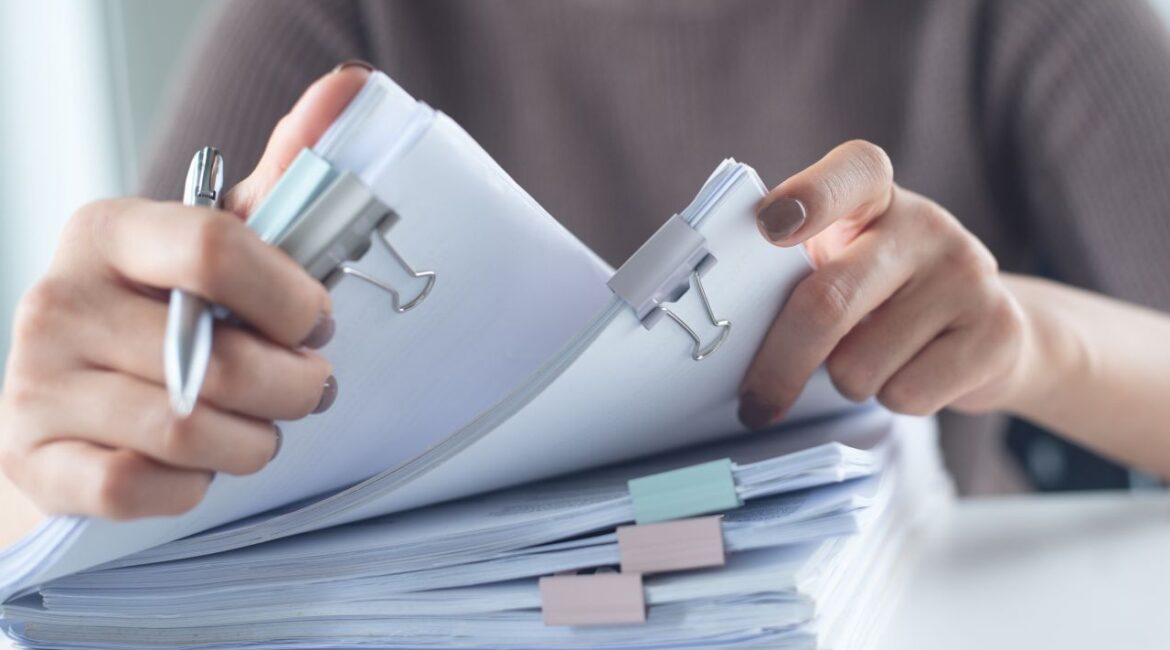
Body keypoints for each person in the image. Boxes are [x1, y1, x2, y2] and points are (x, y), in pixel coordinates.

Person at [2, 0, 1170, 521]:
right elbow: (91, 465)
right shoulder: (336, 13)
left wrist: (1030, 340)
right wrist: (48, 451)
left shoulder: (1010, 14)